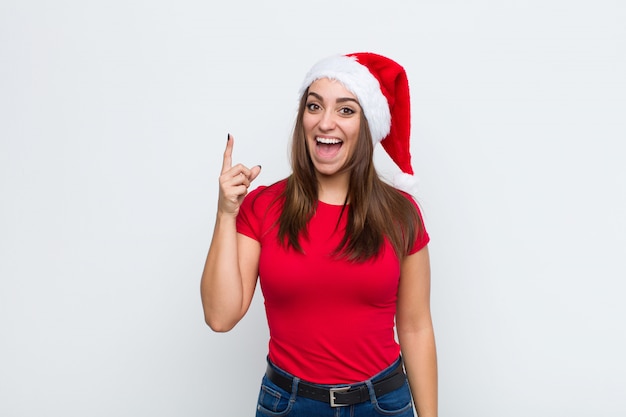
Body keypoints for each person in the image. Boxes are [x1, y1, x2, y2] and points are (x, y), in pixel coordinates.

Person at [201, 52, 437, 417]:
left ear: (368, 125)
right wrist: (225, 213)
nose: (326, 122)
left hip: (383, 404)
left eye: (346, 110)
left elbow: (416, 327)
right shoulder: (263, 207)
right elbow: (220, 316)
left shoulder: (401, 213)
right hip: (289, 404)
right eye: (315, 106)